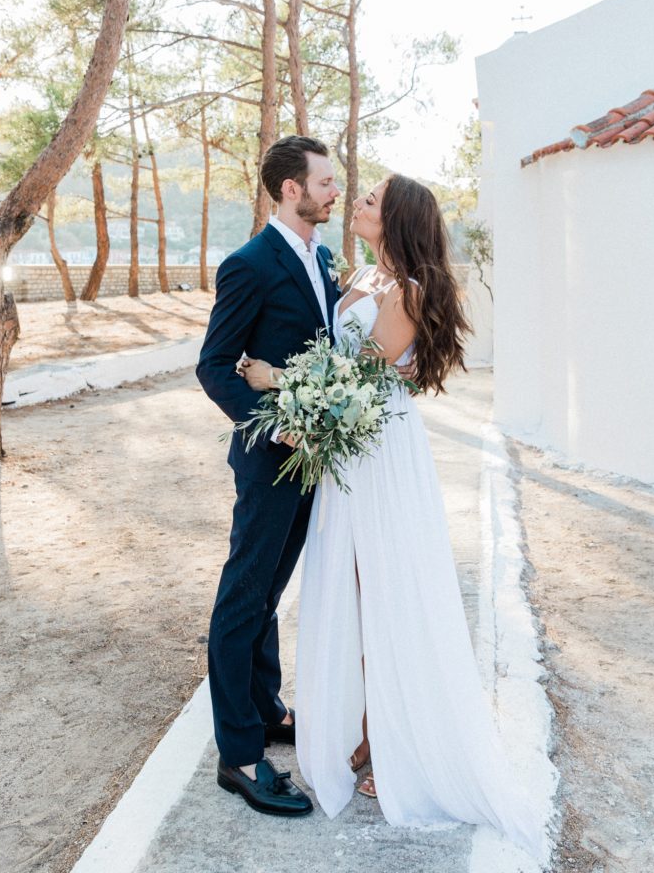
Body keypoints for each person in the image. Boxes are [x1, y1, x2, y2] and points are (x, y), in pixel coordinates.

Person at [241, 174, 545, 858]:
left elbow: (359, 379)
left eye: (371, 200)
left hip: (379, 452)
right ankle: (359, 727)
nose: (356, 203)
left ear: (398, 218)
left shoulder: (406, 288)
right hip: (351, 453)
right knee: (348, 589)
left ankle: (386, 737)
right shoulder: (362, 274)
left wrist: (276, 384)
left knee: (384, 589)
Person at [196, 135, 341, 817]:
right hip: (268, 460)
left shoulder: (326, 256)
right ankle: (240, 756)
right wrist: (272, 421)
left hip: (313, 459)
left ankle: (266, 709)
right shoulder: (249, 264)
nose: (334, 190)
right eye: (324, 182)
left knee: (270, 593)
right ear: (290, 189)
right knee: (242, 599)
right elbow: (216, 364)